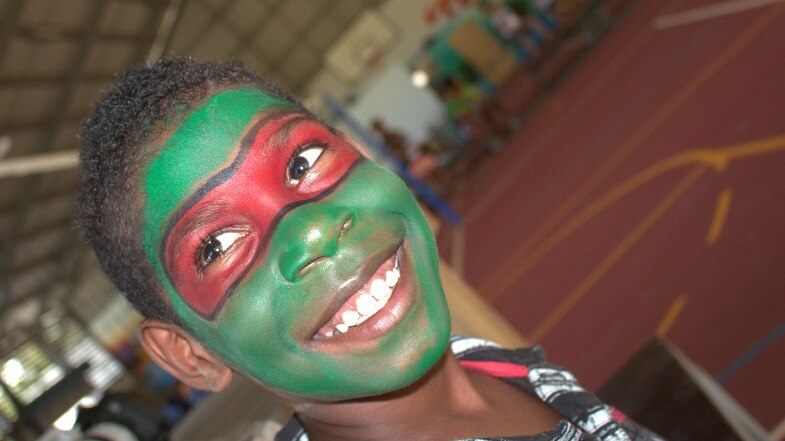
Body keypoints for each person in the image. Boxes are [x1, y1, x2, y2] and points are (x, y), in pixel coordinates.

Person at [77, 58, 661, 441]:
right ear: (191, 356)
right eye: (217, 245)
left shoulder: (495, 367)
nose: (309, 230)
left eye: (303, 162)